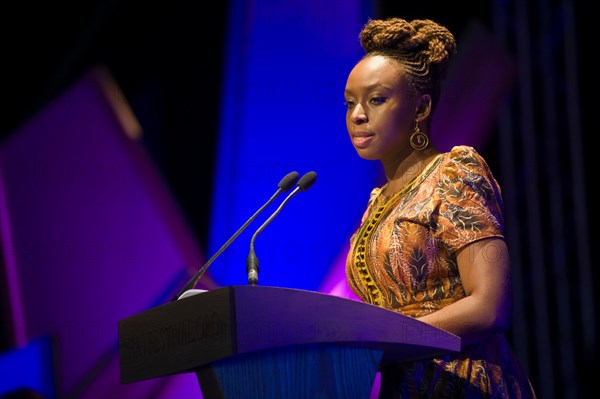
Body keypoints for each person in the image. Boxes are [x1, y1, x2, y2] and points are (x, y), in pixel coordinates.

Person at [343, 17, 537, 398]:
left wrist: (388, 340)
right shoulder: (376, 205)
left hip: (466, 383)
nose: (358, 115)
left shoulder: (454, 172)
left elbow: (490, 306)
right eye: (350, 103)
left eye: (376, 99)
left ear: (421, 107)